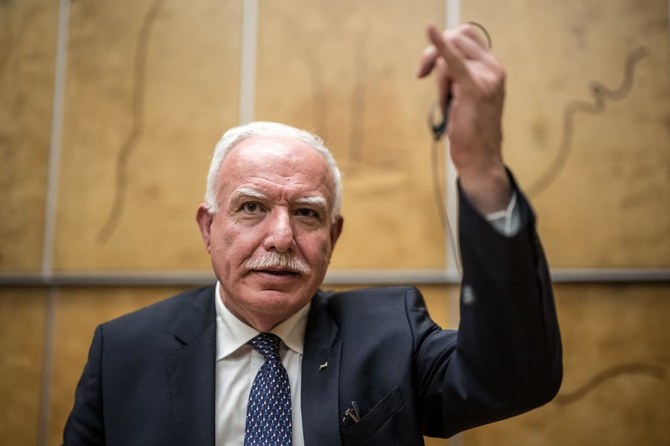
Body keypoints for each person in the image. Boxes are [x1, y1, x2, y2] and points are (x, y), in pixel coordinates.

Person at [63, 24, 562, 445]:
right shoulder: (124, 352)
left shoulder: (390, 334)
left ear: (333, 234)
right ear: (208, 227)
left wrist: (481, 168)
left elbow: (515, 379)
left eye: (306, 213)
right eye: (252, 207)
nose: (281, 238)